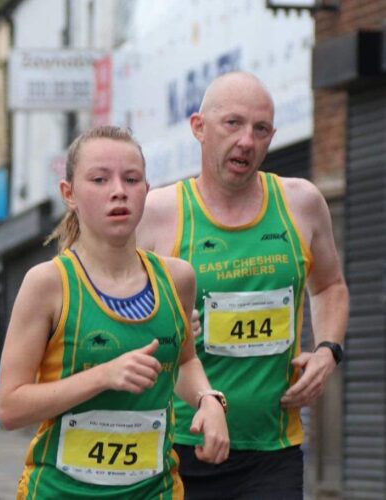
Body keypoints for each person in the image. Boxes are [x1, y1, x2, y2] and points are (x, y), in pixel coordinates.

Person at [136, 72, 349, 499]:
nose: (247, 141)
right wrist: (163, 328)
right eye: (232, 124)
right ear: (198, 127)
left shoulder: (301, 203)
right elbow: (107, 305)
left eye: (261, 129)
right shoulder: (159, 212)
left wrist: (328, 351)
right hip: (174, 447)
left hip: (272, 449)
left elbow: (329, 286)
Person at [0, 125, 229, 499]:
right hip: (61, 492)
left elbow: (184, 363)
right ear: (68, 194)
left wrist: (208, 399)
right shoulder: (47, 284)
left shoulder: (178, 278)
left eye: (131, 179)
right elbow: (9, 407)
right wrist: (103, 376)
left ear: (146, 191)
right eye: (100, 179)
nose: (118, 190)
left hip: (155, 490)